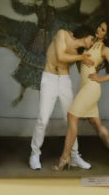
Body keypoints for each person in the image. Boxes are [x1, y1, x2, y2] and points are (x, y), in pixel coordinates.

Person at [53, 20, 109, 170]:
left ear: (106, 35)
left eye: (103, 30)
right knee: (97, 125)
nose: (99, 29)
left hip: (92, 88)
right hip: (85, 87)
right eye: (99, 26)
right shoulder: (90, 43)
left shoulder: (104, 49)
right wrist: (72, 37)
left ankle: (64, 159)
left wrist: (100, 79)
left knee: (72, 116)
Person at [28, 28, 95, 171]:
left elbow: (84, 69)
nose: (92, 42)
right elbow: (60, 57)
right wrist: (81, 58)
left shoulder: (78, 53)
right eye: (92, 39)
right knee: (43, 119)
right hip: (49, 78)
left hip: (64, 81)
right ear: (86, 36)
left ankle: (74, 156)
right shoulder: (62, 34)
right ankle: (34, 154)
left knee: (71, 120)